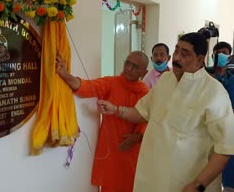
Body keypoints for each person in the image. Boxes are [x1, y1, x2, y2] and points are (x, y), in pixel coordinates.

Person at [98, 32, 234, 192]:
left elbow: (225, 147)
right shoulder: (165, 80)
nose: (177, 58)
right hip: (153, 176)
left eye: (185, 54)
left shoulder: (213, 91)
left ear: (199, 59)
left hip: (187, 182)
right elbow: (142, 112)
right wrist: (116, 110)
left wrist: (198, 184)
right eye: (176, 51)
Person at [56, 51, 149, 192]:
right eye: (127, 63)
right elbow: (86, 87)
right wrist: (64, 74)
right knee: (109, 183)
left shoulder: (145, 93)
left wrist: (138, 136)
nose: (128, 68)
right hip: (111, 148)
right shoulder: (112, 83)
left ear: (144, 72)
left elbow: (149, 118)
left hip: (133, 150)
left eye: (135, 66)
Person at [206, 41, 234, 192]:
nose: (221, 56)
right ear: (212, 55)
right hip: (210, 129)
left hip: (228, 128)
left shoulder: (232, 78)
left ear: (229, 56)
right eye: (218, 53)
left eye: (225, 53)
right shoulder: (206, 77)